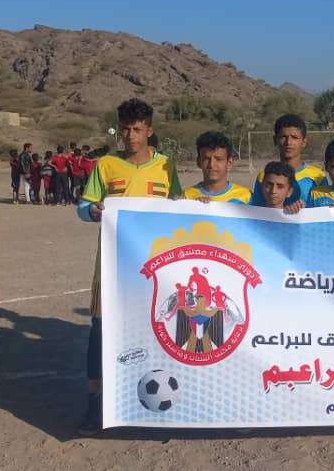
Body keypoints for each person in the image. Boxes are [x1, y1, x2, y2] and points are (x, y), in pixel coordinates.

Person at [76, 98, 182, 434]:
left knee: (156, 328)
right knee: (100, 332)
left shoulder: (166, 166)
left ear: (149, 130)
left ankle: (153, 397)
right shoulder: (106, 165)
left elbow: (178, 206)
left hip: (154, 268)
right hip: (111, 266)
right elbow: (83, 207)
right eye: (125, 129)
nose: (131, 136)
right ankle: (94, 402)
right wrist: (92, 211)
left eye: (137, 129)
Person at [248, 114, 326, 210]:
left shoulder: (318, 176)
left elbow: (324, 209)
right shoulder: (264, 176)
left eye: (294, 137)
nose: (288, 142)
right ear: (275, 140)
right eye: (283, 137)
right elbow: (257, 211)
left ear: (304, 142)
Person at [183, 131, 252, 204]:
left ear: (229, 163)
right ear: (199, 162)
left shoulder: (246, 197)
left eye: (218, 159)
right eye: (206, 159)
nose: (211, 165)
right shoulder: (186, 197)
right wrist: (194, 207)